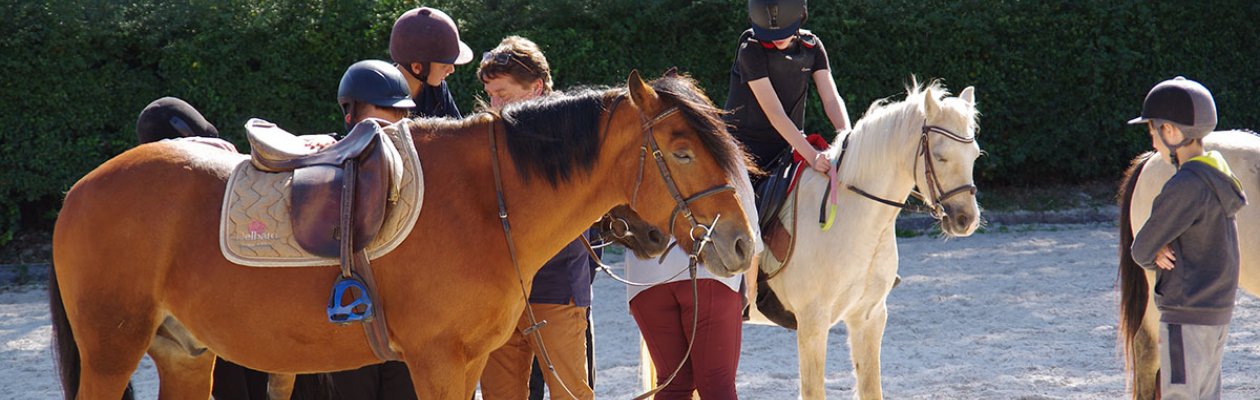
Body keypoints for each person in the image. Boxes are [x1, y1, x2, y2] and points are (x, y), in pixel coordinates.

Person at [474, 36, 596, 400]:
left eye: (503, 94)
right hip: (499, 293)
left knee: (569, 394)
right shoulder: (486, 138)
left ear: (537, 88)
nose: (494, 104)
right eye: (490, 94)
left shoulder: (573, 135)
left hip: (556, 287)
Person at [292, 59, 419, 400]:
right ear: (351, 112)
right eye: (384, 111)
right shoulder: (325, 161)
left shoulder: (419, 168)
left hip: (405, 319)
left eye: (400, 113)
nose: (395, 121)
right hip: (347, 316)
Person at [723, 0, 851, 309]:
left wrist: (847, 137)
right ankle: (745, 296)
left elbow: (831, 98)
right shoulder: (750, 48)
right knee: (748, 212)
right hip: (744, 149)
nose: (776, 37)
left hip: (787, 147)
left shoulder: (812, 46)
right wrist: (810, 154)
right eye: (770, 32)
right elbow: (776, 114)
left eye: (784, 31)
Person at [1128, 76, 1246, 399]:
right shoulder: (1221, 177)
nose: (1153, 143)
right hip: (1216, 314)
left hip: (1185, 314)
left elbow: (1141, 249)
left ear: (1171, 132)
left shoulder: (1184, 186)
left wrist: (1155, 248)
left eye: (1153, 132)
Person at [626, 170, 761, 400]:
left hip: (644, 276)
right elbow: (748, 224)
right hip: (707, 274)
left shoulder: (635, 141)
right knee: (716, 384)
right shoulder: (716, 143)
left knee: (672, 384)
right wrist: (750, 289)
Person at [389, 6, 473, 119]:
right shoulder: (381, 98)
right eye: (444, 66)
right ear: (417, 67)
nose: (452, 70)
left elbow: (459, 131)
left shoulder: (437, 88)